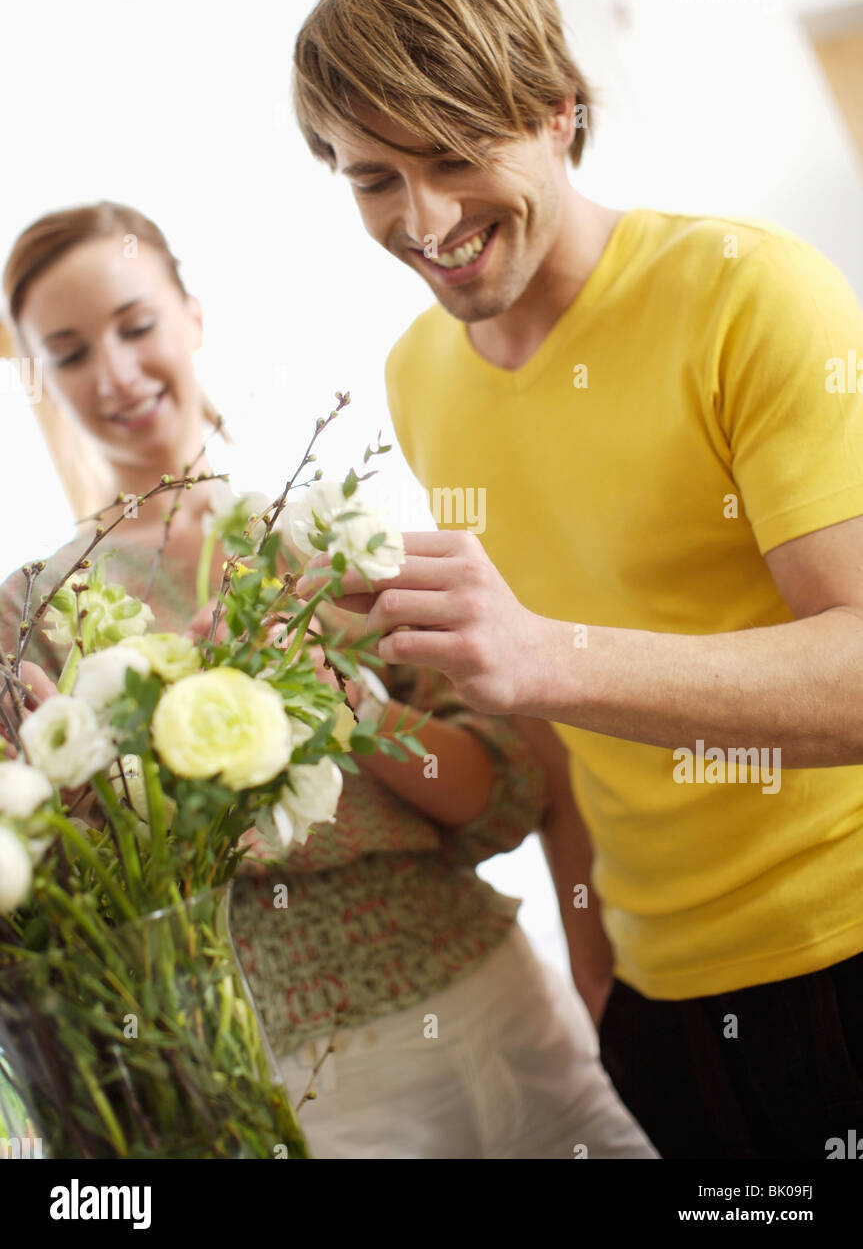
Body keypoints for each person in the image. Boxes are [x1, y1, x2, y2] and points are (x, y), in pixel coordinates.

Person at [291, 0, 863, 1159]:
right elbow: (547, 724)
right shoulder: (417, 374)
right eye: (373, 177)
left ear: (557, 112)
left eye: (455, 154)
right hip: (661, 999)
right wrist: (595, 961)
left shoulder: (748, 294)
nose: (423, 219)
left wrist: (545, 651)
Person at [0, 201, 658, 1160]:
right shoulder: (35, 613)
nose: (116, 374)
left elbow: (499, 795)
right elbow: (62, 909)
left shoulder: (328, 540)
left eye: (136, 327)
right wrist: (107, 796)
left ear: (193, 316)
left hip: (500, 1001)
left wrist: (352, 707)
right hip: (295, 1077)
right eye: (67, 353)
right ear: (37, 378)